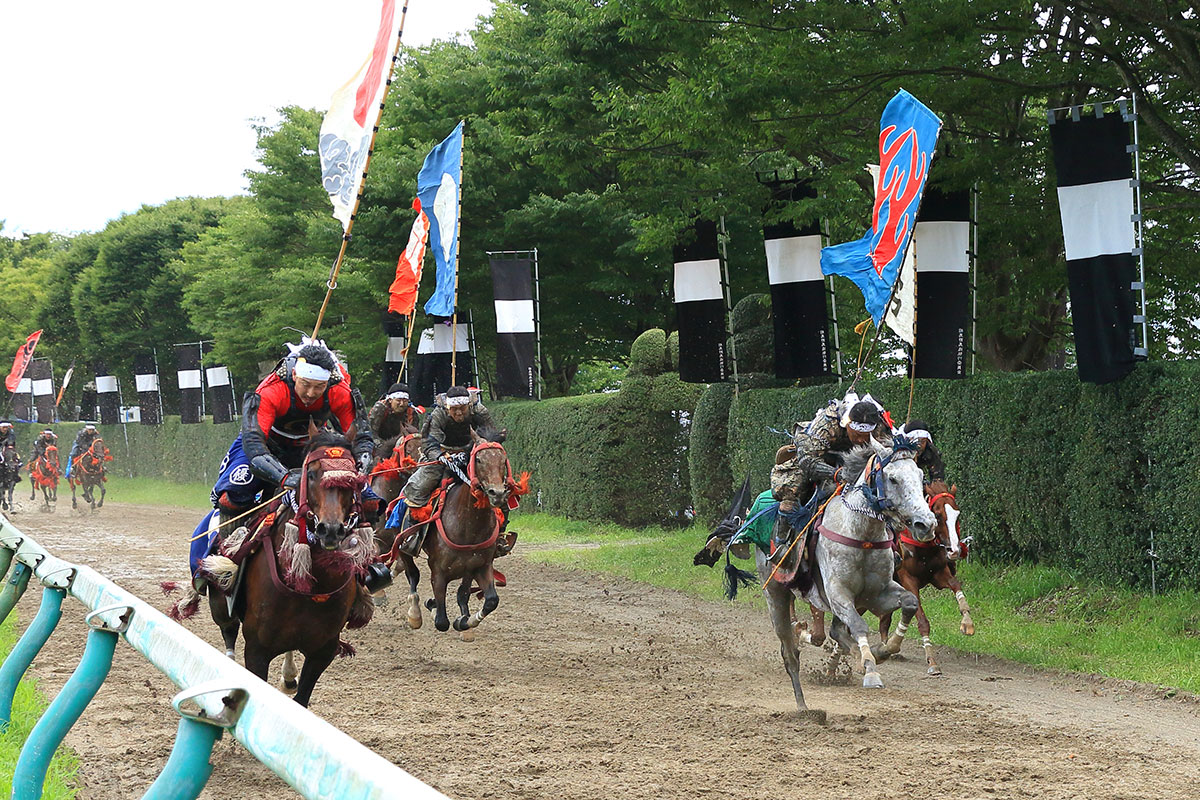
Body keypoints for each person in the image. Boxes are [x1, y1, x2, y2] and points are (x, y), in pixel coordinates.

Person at [768, 394, 894, 562]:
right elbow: (808, 461)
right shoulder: (827, 425)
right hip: (814, 455)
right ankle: (782, 544)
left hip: (854, 460)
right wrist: (836, 474)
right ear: (847, 423)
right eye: (856, 435)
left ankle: (892, 543)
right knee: (792, 486)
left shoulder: (879, 427)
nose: (860, 440)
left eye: (866, 436)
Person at [391, 386, 500, 556]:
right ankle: (413, 533)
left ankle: (499, 535)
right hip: (442, 455)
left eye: (462, 409)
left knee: (501, 486)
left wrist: (474, 451)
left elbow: (491, 435)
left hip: (472, 454)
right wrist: (442, 456)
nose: (458, 414)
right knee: (417, 487)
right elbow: (428, 441)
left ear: (469, 406)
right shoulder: (438, 414)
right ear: (448, 408)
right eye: (454, 410)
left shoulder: (479, 411)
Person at [896, 420, 946, 484]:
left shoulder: (930, 452)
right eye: (915, 441)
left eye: (923, 442)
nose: (919, 446)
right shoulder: (899, 454)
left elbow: (937, 476)